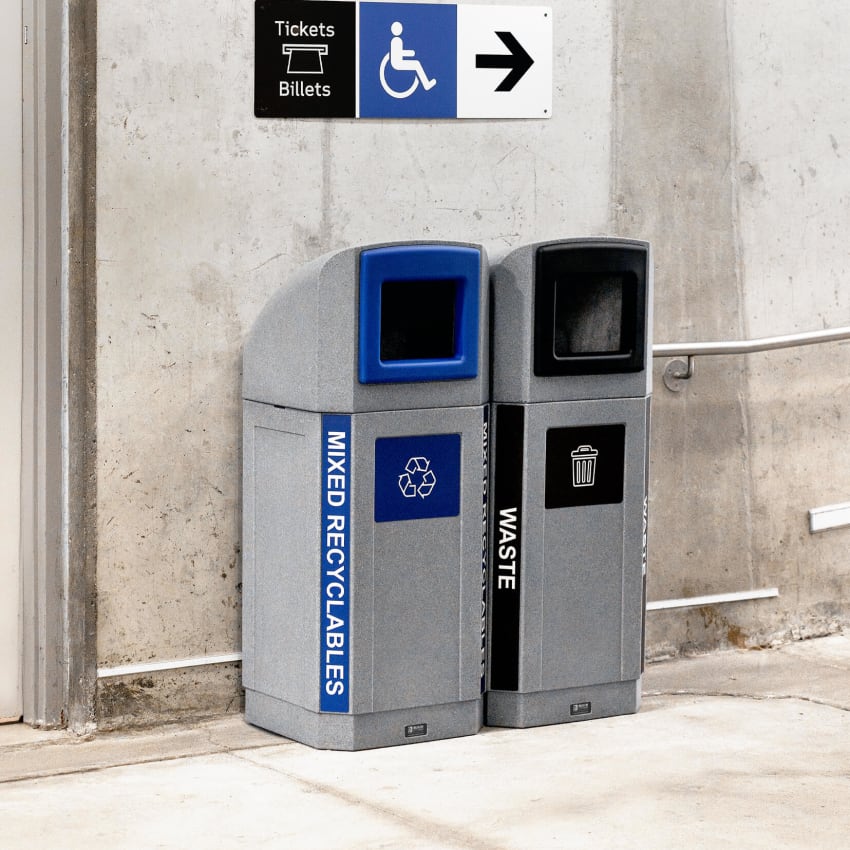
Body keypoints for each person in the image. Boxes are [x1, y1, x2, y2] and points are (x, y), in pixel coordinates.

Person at [389, 22, 436, 91]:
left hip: (398, 62)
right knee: (416, 64)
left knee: (416, 63)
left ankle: (426, 83)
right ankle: (426, 84)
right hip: (397, 63)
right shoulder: (396, 41)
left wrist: (410, 53)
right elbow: (398, 53)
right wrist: (410, 53)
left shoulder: (396, 40)